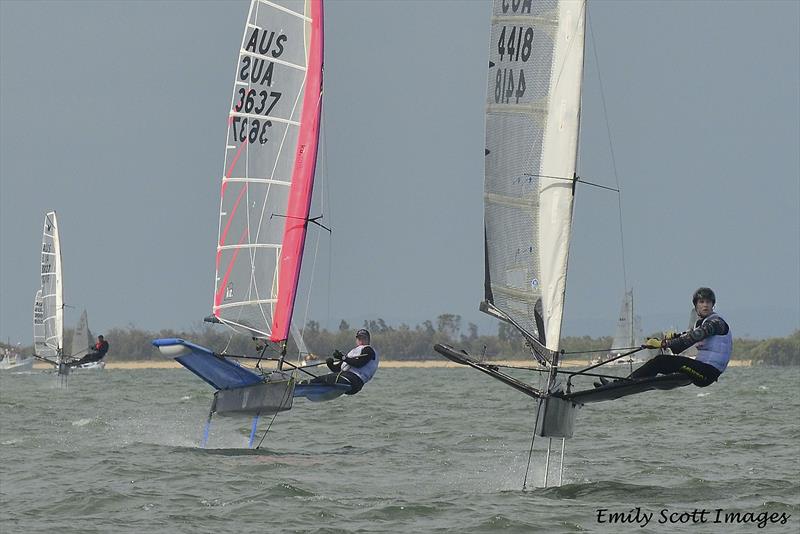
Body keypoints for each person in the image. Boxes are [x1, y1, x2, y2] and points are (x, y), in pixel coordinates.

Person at [604, 287, 731, 388]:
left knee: (661, 361)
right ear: (696, 305)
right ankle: (625, 382)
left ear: (713, 304)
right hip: (701, 370)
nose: (705, 305)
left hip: (707, 373)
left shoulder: (717, 323)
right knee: (662, 364)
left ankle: (622, 384)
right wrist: (672, 337)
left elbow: (694, 336)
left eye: (708, 302)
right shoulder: (702, 323)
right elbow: (687, 335)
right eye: (701, 302)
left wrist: (664, 344)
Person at [306, 328, 378, 395]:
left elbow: (359, 364)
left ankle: (304, 385)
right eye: (359, 338)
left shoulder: (368, 350)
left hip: (355, 381)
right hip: (347, 378)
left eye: (364, 338)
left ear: (368, 340)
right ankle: (307, 385)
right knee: (323, 378)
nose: (361, 341)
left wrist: (343, 357)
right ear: (356, 340)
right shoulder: (354, 352)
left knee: (324, 379)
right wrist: (330, 364)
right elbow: (337, 369)